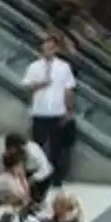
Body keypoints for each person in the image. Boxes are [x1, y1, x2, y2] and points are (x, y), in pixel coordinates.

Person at [24, 32, 77, 189]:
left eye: (52, 47)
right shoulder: (33, 66)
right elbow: (27, 86)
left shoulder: (64, 67)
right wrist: (41, 83)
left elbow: (69, 88)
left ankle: (56, 178)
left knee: (57, 147)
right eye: (46, 47)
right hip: (39, 112)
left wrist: (68, 109)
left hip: (57, 112)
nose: (49, 50)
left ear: (56, 49)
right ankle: (36, 175)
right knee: (36, 145)